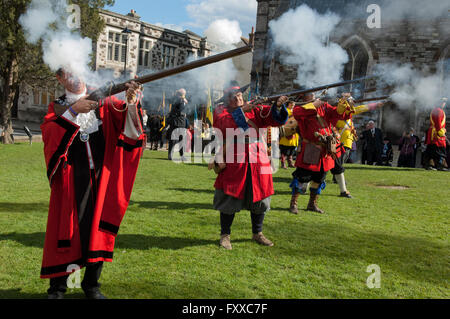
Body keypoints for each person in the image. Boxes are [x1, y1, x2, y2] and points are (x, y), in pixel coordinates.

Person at [40, 68, 145, 299]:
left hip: (101, 177)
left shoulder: (106, 103)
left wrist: (130, 102)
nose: (75, 78)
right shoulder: (58, 107)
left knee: (98, 230)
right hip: (71, 179)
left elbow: (130, 132)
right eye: (67, 74)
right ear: (59, 79)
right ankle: (57, 288)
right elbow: (50, 135)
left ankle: (91, 285)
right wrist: (72, 112)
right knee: (65, 232)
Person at [209, 84, 288, 250]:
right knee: (229, 197)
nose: (238, 99)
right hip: (234, 157)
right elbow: (224, 126)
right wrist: (242, 111)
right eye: (234, 97)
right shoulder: (221, 111)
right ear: (227, 99)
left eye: (239, 95)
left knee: (261, 196)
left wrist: (278, 106)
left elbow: (272, 119)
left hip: (257, 157)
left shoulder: (253, 109)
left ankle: (257, 233)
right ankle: (225, 235)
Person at [288, 92, 352, 215]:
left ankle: (312, 204)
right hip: (311, 148)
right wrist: (315, 104)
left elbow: (338, 113)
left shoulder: (324, 107)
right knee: (302, 178)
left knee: (319, 178)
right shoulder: (300, 108)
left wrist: (343, 101)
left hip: (325, 150)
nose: (313, 96)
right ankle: (293, 204)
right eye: (310, 95)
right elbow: (298, 113)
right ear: (304, 97)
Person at [332, 94, 384, 198]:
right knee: (339, 162)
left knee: (341, 161)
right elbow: (360, 108)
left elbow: (360, 109)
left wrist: (375, 105)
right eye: (350, 101)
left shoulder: (348, 114)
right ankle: (335, 178)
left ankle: (336, 178)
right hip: (340, 141)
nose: (353, 104)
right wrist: (375, 105)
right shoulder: (340, 112)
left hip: (347, 141)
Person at [424, 100, 448, 171]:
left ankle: (431, 165)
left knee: (432, 149)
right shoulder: (439, 111)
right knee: (439, 149)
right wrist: (441, 133)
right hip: (436, 133)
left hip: (434, 132)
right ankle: (439, 165)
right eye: (443, 103)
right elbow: (438, 123)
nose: (444, 104)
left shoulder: (435, 110)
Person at [167, 88, 188, 160]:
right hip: (176, 121)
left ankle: (181, 155)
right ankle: (171, 155)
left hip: (181, 122)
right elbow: (180, 111)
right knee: (174, 140)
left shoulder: (180, 100)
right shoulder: (179, 100)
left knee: (181, 140)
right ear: (183, 94)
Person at [279, 100, 299, 169]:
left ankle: (290, 162)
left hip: (294, 133)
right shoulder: (285, 111)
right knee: (284, 150)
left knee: (292, 149)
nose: (292, 106)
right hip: (286, 132)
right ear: (288, 104)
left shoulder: (295, 111)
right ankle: (283, 163)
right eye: (291, 104)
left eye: (293, 105)